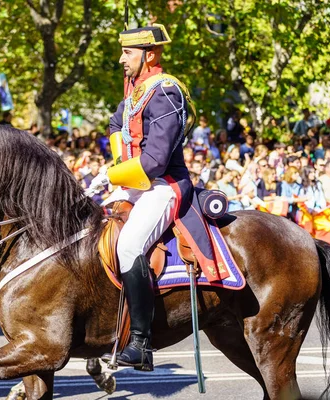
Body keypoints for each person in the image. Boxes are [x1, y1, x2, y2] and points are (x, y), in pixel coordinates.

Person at [92, 24, 215, 371]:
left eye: (127, 53)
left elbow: (156, 160)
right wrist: (116, 163)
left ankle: (142, 342)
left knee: (129, 245)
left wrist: (113, 174)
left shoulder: (165, 91)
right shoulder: (135, 92)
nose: (121, 59)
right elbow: (116, 125)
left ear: (150, 54)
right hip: (135, 182)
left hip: (164, 184)